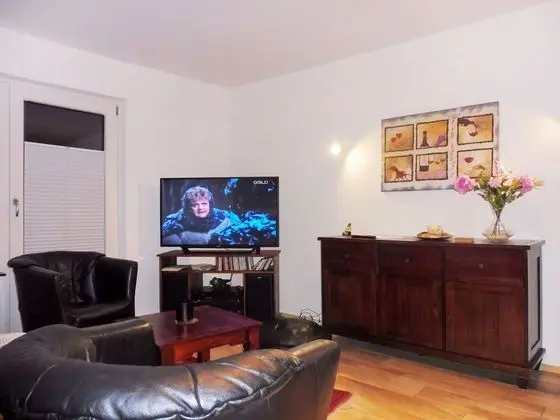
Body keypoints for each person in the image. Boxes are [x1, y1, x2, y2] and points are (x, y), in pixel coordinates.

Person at [162, 186, 238, 245]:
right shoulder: (173, 224)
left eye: (204, 204)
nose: (200, 208)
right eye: (195, 205)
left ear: (210, 204)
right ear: (188, 207)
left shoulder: (224, 218)